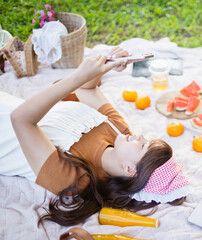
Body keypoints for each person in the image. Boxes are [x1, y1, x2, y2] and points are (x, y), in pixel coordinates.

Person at [0, 47, 191, 226]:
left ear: (129, 169)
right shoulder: (120, 132)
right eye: (147, 141)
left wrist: (78, 77)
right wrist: (106, 65)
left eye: (143, 146)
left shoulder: (76, 179)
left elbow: (20, 119)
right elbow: (87, 89)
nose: (140, 136)